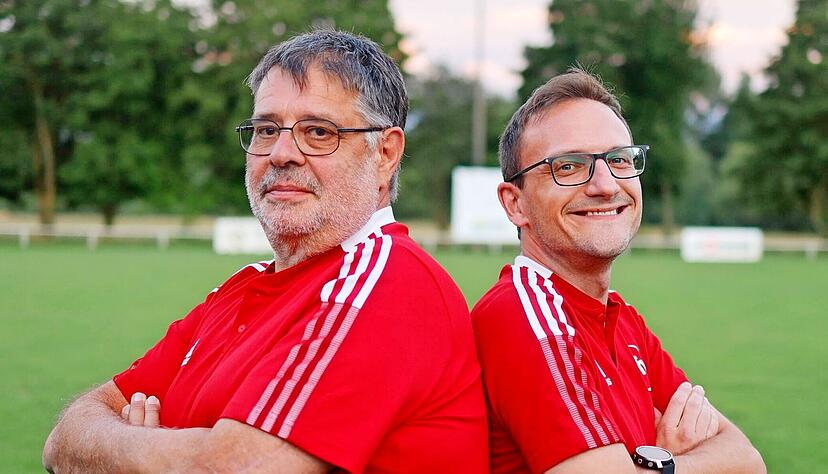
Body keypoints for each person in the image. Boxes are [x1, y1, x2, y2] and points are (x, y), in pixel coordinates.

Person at [43, 30, 488, 473]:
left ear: (385, 153)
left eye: (318, 132)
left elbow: (232, 469)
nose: (281, 153)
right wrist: (170, 453)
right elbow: (63, 441)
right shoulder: (239, 288)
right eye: (266, 130)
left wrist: (132, 451)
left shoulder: (389, 284)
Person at [471, 68, 765, 473]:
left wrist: (652, 466)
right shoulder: (522, 316)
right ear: (514, 203)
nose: (606, 185)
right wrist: (667, 460)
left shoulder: (623, 321)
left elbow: (748, 461)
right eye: (569, 166)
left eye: (619, 159)